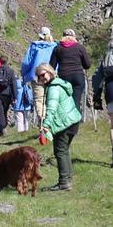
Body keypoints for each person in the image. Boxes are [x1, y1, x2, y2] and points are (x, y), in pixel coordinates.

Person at [35, 62, 82, 191]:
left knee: (60, 151)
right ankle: (68, 178)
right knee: (64, 150)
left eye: (42, 75)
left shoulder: (53, 88)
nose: (41, 79)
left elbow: (52, 108)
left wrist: (46, 125)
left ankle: (64, 182)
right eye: (39, 77)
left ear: (49, 72)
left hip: (64, 123)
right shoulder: (60, 83)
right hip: (73, 120)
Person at [19, 26, 57, 127]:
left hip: (36, 76)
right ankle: (50, 122)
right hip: (51, 76)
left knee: (39, 100)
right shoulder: (54, 46)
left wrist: (24, 73)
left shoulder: (34, 46)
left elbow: (27, 62)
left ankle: (43, 121)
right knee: (51, 98)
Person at [50, 28, 91, 119]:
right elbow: (87, 65)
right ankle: (74, 123)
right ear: (74, 37)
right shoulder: (79, 47)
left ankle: (66, 121)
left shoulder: (57, 48)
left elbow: (51, 66)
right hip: (77, 76)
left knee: (65, 100)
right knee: (76, 99)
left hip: (64, 77)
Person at [0, 59, 20, 138]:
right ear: (7, 62)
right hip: (7, 94)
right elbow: (13, 84)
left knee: (0, 112)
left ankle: (2, 128)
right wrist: (15, 96)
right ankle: (4, 127)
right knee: (5, 111)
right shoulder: (11, 71)